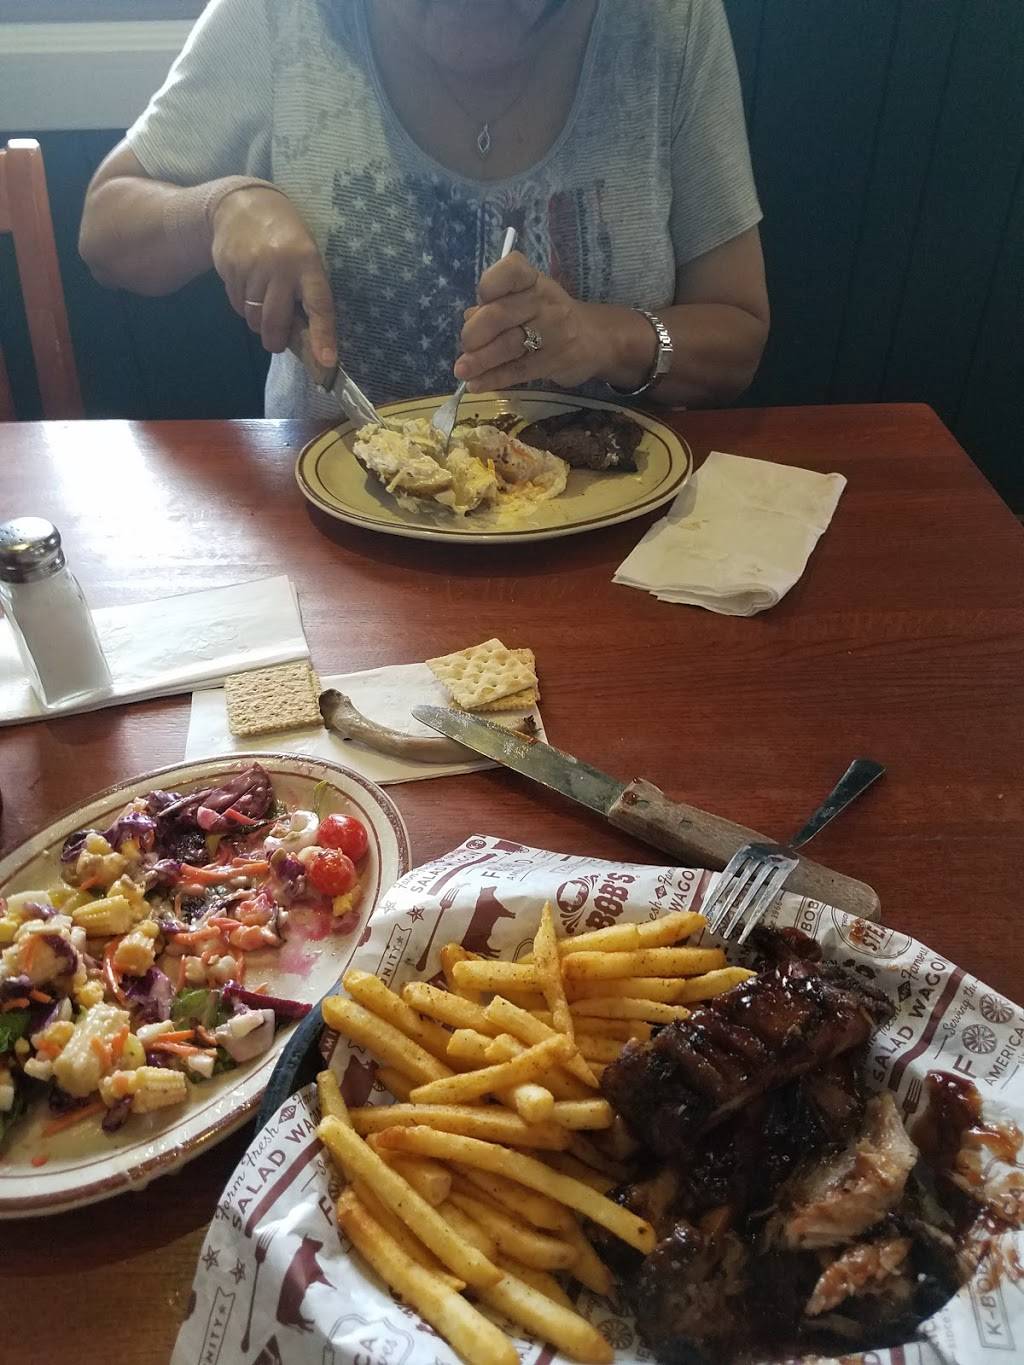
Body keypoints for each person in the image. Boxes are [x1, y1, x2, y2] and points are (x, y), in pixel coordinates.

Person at [80, 0, 769, 419]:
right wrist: (222, 208)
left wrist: (603, 338)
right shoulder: (282, 15)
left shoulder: (671, 22)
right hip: (332, 542)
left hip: (607, 545)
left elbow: (737, 339)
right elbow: (105, 228)